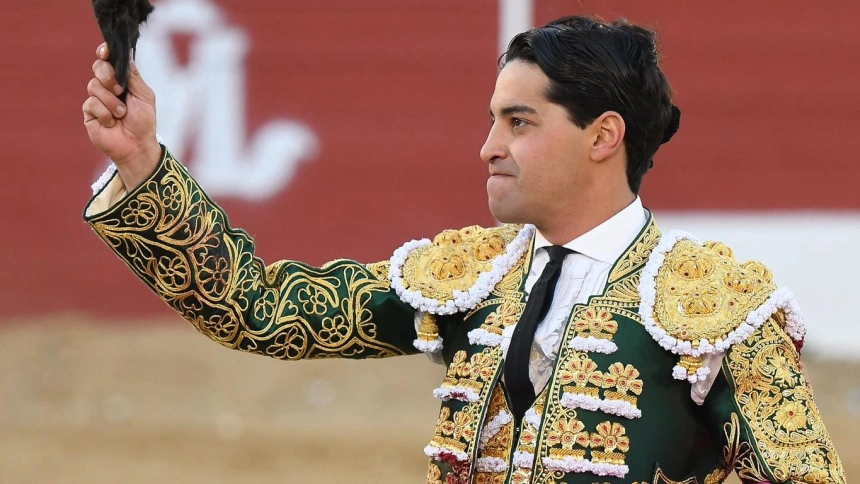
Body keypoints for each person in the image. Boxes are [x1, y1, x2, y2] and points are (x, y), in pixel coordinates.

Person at [82, 15, 844, 484]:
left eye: (520, 122)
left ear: (603, 137)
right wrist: (144, 164)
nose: (488, 148)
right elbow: (259, 309)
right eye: (492, 121)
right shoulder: (469, 277)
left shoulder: (714, 308)